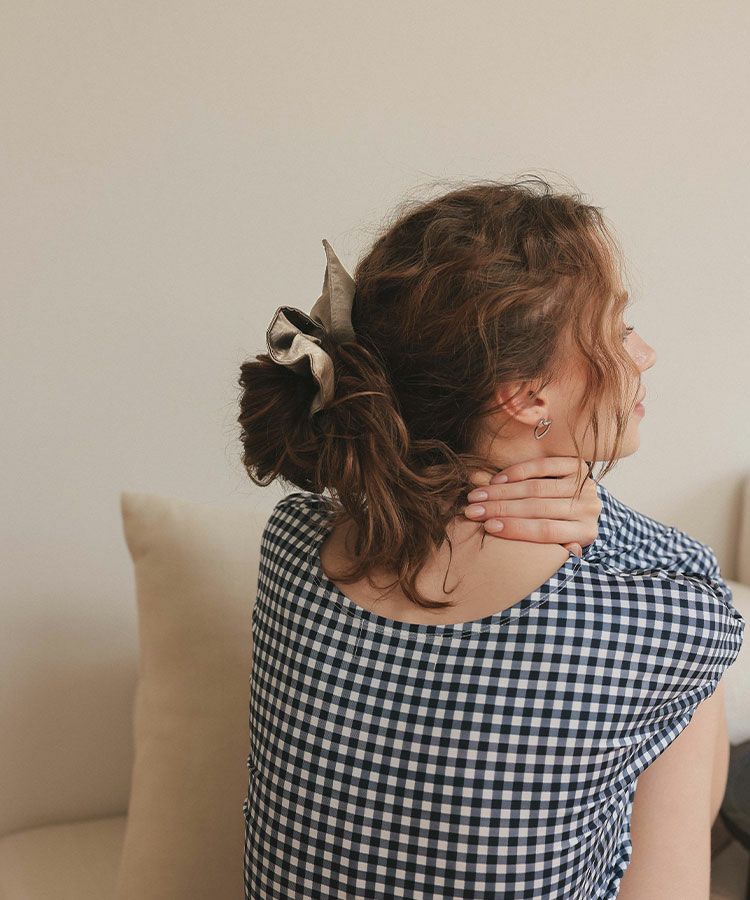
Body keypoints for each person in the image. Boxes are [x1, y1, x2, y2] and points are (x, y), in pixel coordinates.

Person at [236, 175, 744, 898]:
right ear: (527, 397)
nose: (645, 353)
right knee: (697, 682)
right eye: (618, 329)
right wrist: (614, 528)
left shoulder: (293, 545)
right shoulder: (666, 616)